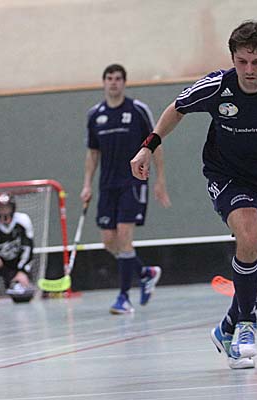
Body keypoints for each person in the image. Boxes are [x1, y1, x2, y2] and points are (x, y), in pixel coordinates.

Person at [131, 20, 257, 369]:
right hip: (228, 176)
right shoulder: (217, 87)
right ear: (233, 59)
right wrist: (147, 147)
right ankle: (246, 326)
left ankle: (226, 327)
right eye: (242, 62)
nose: (249, 70)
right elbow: (177, 108)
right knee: (250, 234)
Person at [81, 63, 171, 315]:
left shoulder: (137, 110)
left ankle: (123, 297)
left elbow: (155, 144)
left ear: (124, 82)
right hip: (107, 186)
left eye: (118, 78)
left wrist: (160, 180)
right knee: (109, 241)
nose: (113, 82)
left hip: (132, 183)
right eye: (109, 78)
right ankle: (144, 272)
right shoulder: (95, 115)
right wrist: (87, 184)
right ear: (104, 82)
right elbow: (92, 153)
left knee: (124, 236)